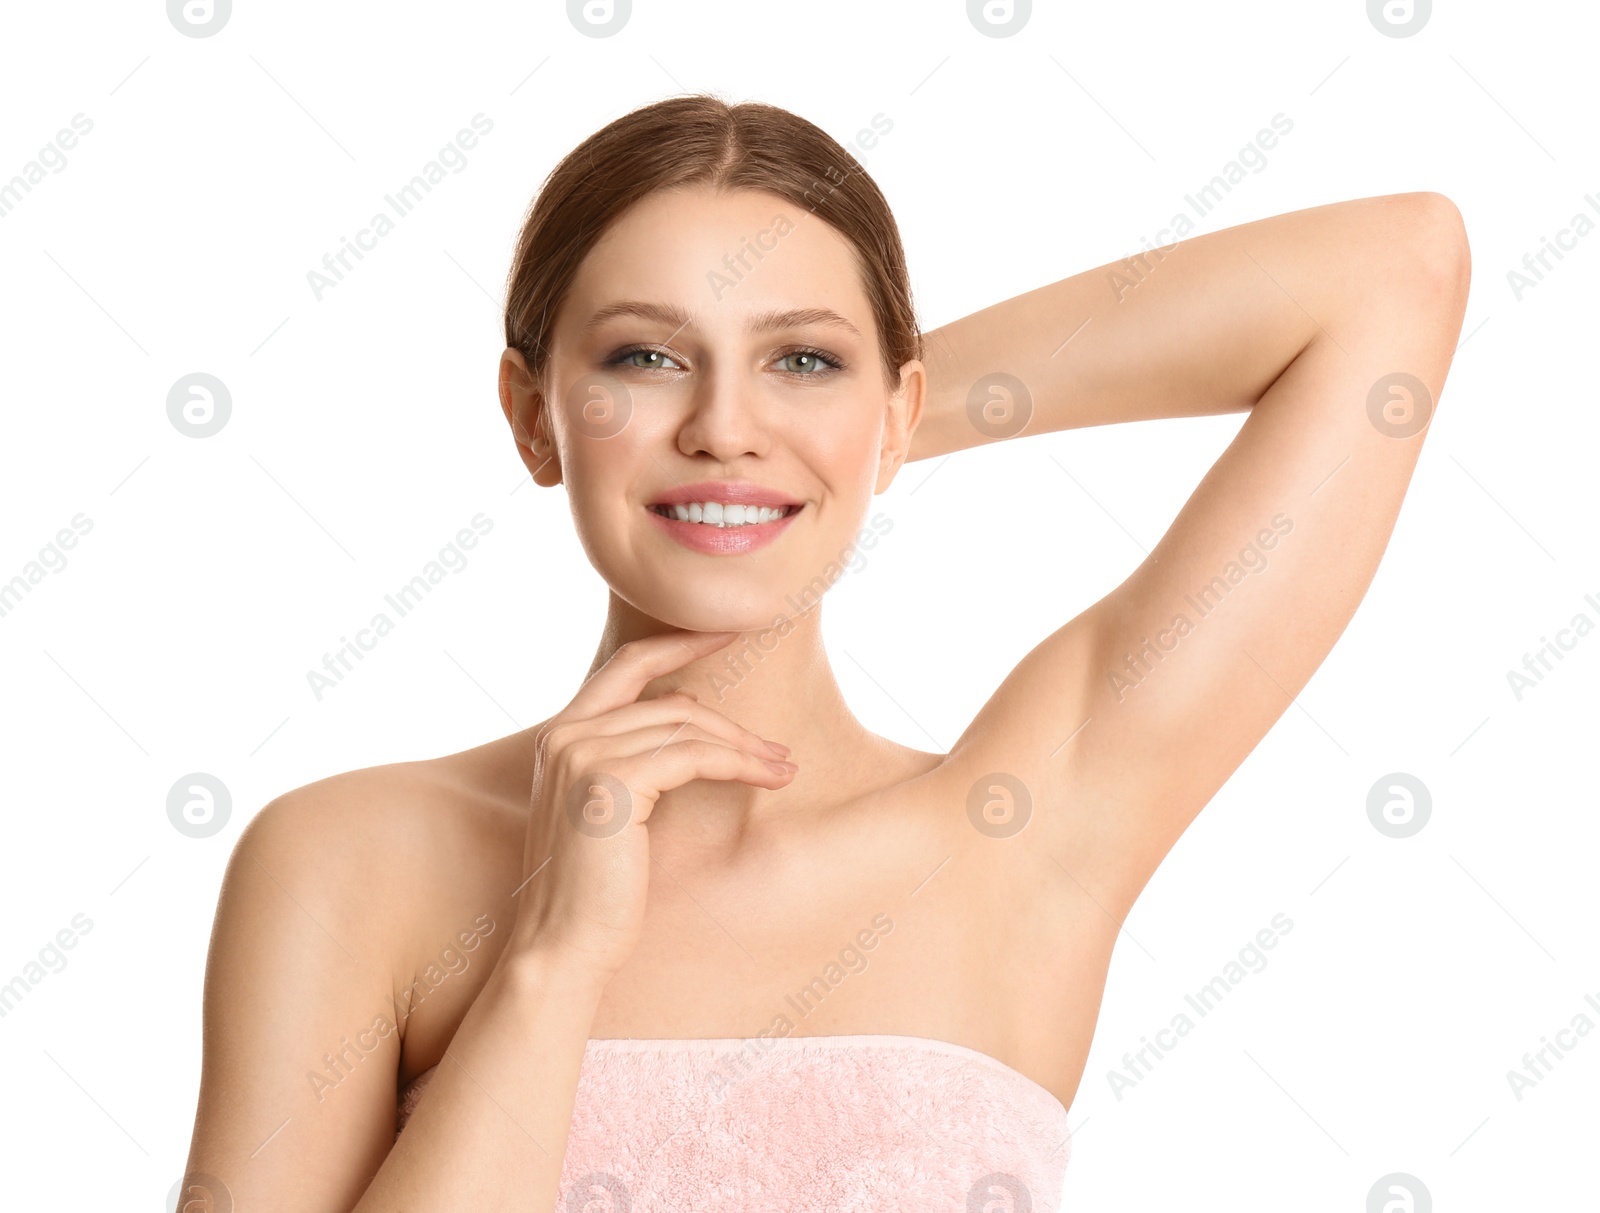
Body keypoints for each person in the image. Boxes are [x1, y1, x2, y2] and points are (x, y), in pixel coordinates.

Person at [178, 93, 1469, 1212]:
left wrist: (853, 439)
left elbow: (1393, 273)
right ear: (533, 416)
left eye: (800, 358)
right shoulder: (350, 860)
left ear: (894, 405)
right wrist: (551, 955)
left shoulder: (1021, 833)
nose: (724, 424)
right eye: (646, 357)